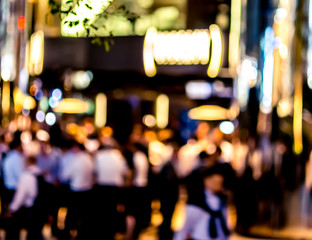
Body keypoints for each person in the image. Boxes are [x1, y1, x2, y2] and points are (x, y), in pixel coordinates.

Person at [173, 165, 230, 240]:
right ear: (206, 181)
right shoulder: (197, 200)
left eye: (220, 183)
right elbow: (186, 226)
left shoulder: (221, 199)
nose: (219, 185)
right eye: (215, 182)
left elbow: (224, 220)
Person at [92, 136, 130, 239]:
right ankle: (110, 233)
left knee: (102, 211)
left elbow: (94, 172)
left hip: (102, 187)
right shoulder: (118, 156)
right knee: (112, 211)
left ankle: (103, 232)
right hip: (114, 188)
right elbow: (125, 172)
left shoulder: (99, 156)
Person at [7, 156, 45, 240]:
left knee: (14, 230)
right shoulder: (40, 174)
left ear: (27, 162)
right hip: (40, 207)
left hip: (29, 208)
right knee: (35, 232)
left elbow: (20, 195)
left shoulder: (26, 176)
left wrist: (12, 208)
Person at [62, 141, 94, 240]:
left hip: (76, 189)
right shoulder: (89, 159)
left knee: (72, 214)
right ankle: (82, 234)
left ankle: (69, 233)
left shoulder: (76, 160)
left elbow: (65, 175)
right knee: (84, 214)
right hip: (87, 189)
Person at [2, 132, 25, 209]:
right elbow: (20, 175)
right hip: (14, 190)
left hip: (7, 188)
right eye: (22, 145)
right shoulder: (16, 158)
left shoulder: (9, 156)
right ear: (18, 146)